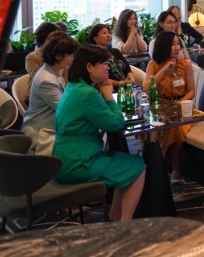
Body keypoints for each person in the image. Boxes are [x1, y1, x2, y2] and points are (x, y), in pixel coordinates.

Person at [53, 45, 146, 221]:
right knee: (138, 166)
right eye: (104, 63)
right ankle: (125, 224)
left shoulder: (75, 87)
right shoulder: (88, 94)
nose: (108, 67)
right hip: (78, 163)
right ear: (89, 67)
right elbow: (116, 123)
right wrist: (109, 96)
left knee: (124, 164)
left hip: (63, 158)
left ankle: (115, 216)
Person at [144, 31, 195, 182]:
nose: (177, 47)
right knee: (171, 125)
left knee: (173, 125)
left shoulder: (185, 65)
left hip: (182, 106)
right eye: (173, 44)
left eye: (178, 44)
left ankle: (157, 163)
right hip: (160, 107)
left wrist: (180, 102)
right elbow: (146, 88)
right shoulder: (153, 65)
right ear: (163, 45)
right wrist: (164, 70)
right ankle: (175, 168)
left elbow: (192, 91)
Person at [21, 32, 77, 139]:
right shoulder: (46, 80)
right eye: (70, 55)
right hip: (42, 132)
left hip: (52, 126)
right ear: (58, 56)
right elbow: (66, 109)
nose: (72, 59)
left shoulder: (55, 71)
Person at [88, 23, 136, 88]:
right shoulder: (94, 56)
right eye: (104, 33)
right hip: (111, 89)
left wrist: (131, 78)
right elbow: (104, 81)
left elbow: (127, 68)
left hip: (127, 87)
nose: (108, 35)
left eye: (109, 33)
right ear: (95, 38)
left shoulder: (115, 52)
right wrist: (123, 83)